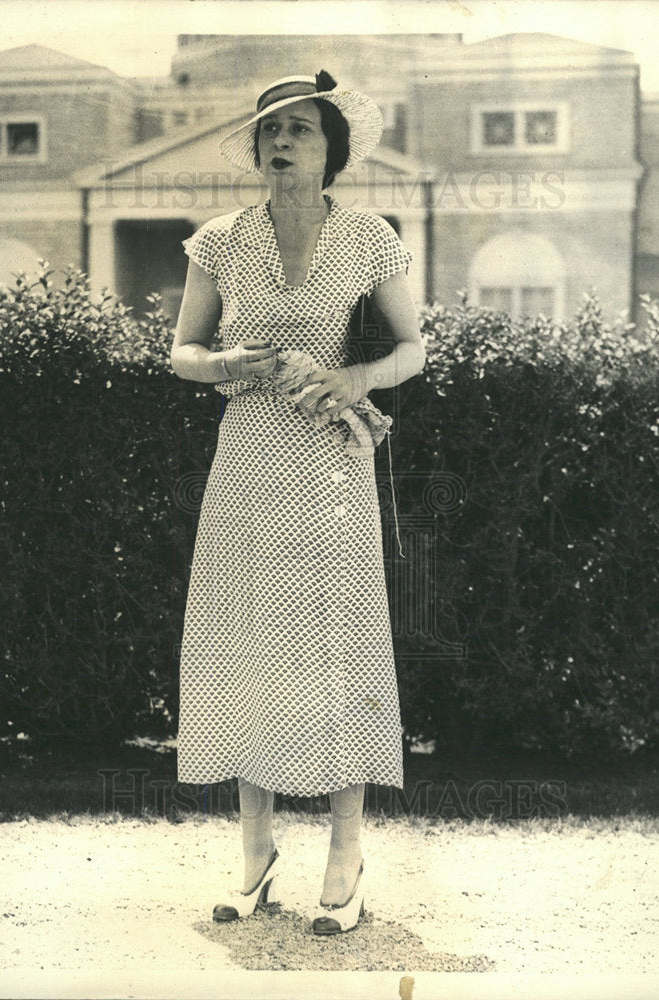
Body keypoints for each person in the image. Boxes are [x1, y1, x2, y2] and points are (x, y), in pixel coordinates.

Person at [170, 71, 425, 935]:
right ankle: (255, 853)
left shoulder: (368, 239)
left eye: (303, 131)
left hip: (330, 467)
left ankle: (346, 854)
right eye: (271, 131)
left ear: (332, 150)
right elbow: (182, 353)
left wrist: (355, 374)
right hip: (246, 460)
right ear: (255, 148)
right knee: (247, 644)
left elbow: (413, 348)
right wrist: (234, 363)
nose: (283, 145)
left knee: (333, 642)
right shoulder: (221, 242)